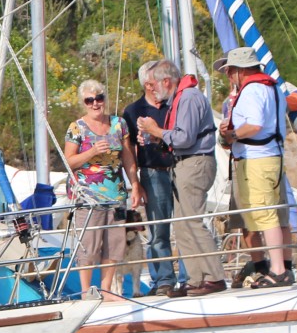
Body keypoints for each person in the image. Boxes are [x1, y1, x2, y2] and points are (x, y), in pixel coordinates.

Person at [137, 60, 227, 296]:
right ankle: (195, 280)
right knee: (183, 223)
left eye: (153, 84)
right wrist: (156, 137)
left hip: (194, 163)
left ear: (166, 81)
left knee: (192, 221)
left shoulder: (187, 98)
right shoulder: (182, 98)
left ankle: (214, 277)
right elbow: (181, 136)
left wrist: (155, 130)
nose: (152, 89)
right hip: (186, 163)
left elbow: (184, 138)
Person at [215, 46, 292, 286]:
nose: (228, 76)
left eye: (229, 71)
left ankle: (277, 271)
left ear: (239, 71)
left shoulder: (251, 91)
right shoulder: (274, 88)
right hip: (274, 157)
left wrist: (232, 135)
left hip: (256, 159)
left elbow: (255, 125)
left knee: (264, 213)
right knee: (279, 216)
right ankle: (286, 267)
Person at [63, 79, 142, 302]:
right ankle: (87, 291)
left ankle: (106, 290)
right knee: (89, 245)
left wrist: (135, 185)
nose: (96, 103)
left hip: (116, 194)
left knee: (114, 245)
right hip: (87, 197)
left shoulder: (119, 124)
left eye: (99, 98)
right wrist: (92, 152)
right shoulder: (77, 128)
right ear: (84, 103)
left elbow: (128, 157)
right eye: (90, 100)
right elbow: (69, 161)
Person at [120, 61, 179, 296]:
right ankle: (163, 280)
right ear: (148, 83)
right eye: (157, 79)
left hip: (181, 168)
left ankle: (189, 277)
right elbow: (128, 151)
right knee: (158, 231)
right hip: (153, 173)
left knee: (188, 225)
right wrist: (136, 184)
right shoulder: (132, 111)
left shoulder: (175, 104)